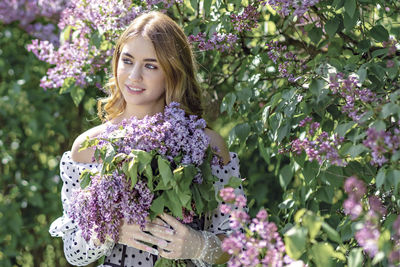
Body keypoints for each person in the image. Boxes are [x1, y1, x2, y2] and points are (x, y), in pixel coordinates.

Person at [49, 11, 244, 267]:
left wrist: (198, 245)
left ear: (173, 73)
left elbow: (238, 243)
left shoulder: (207, 145)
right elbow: (73, 253)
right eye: (127, 61)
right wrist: (110, 230)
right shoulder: (89, 147)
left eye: (151, 65)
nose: (134, 76)